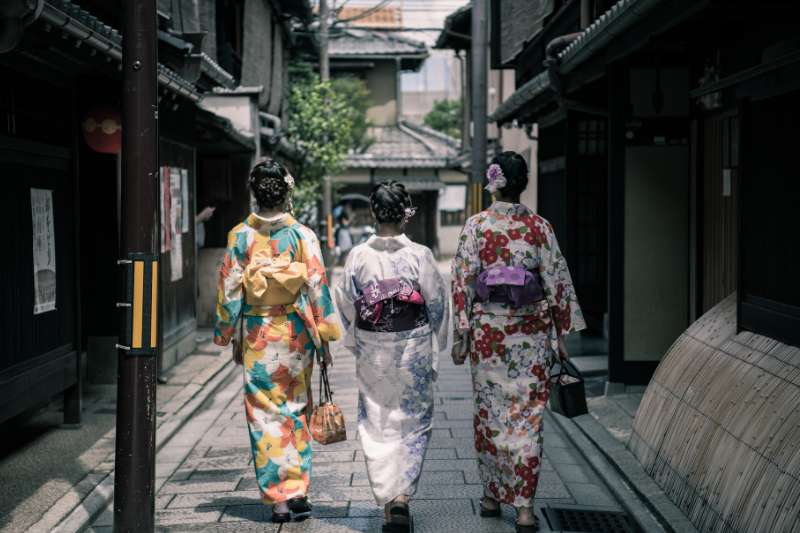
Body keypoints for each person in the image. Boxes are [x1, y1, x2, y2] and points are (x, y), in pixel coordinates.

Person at [450, 152, 585, 532]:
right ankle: (524, 507)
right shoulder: (539, 227)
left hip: (488, 334)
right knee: (528, 418)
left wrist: (461, 335)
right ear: (522, 183)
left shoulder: (476, 226)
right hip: (531, 332)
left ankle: (492, 495)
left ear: (492, 183)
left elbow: (462, 282)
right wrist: (561, 335)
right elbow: (557, 282)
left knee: (490, 413)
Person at [213, 159, 341, 523]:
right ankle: (298, 490)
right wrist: (326, 335)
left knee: (264, 414)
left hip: (258, 331)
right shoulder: (302, 235)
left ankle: (279, 500)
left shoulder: (241, 235)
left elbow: (229, 288)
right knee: (296, 406)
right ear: (287, 191)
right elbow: (317, 284)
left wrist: (226, 331)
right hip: (296, 330)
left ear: (255, 192)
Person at [334, 181, 452, 533]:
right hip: (412, 344)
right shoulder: (420, 255)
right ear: (406, 213)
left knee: (377, 421)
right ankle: (402, 499)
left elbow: (344, 302)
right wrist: (437, 341)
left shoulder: (357, 256)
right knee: (412, 421)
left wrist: (357, 338)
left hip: (373, 345)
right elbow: (436, 303)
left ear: (373, 213)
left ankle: (388, 500)